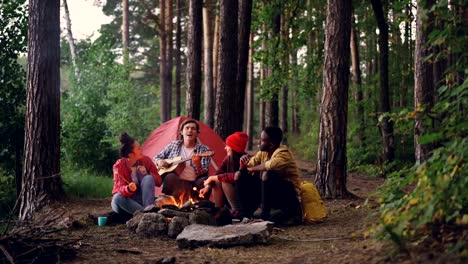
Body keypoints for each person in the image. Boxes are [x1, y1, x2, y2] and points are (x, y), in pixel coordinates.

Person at [236, 126, 302, 225]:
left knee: (268, 174)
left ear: (270, 145)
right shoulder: (263, 153)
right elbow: (250, 164)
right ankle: (246, 214)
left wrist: (253, 168)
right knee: (239, 175)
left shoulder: (283, 153)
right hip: (272, 193)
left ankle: (265, 216)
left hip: (287, 196)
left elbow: (271, 165)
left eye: (261, 140)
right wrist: (242, 166)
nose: (258, 142)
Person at [200, 132, 260, 219]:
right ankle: (219, 210)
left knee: (225, 180)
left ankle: (238, 211)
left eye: (227, 146)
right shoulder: (228, 159)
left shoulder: (247, 159)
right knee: (217, 181)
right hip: (234, 197)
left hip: (247, 200)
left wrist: (213, 178)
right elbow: (218, 174)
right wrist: (207, 187)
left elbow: (236, 176)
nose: (225, 148)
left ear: (233, 148)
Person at [153, 119, 212, 203]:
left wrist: (198, 164)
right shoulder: (174, 145)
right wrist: (160, 161)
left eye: (193, 128)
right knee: (170, 177)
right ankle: (172, 201)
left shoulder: (204, 150)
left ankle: (200, 204)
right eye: (187, 128)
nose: (190, 130)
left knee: (205, 180)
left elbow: (204, 172)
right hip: (177, 183)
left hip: (194, 183)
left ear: (197, 133)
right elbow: (156, 157)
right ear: (181, 132)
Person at [111, 132, 162, 217]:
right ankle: (148, 215)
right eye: (138, 149)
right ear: (130, 154)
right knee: (117, 198)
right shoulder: (119, 166)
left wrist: (147, 173)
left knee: (148, 178)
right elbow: (118, 189)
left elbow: (159, 181)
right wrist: (128, 189)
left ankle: (148, 210)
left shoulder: (146, 161)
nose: (141, 150)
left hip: (141, 202)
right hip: (125, 204)